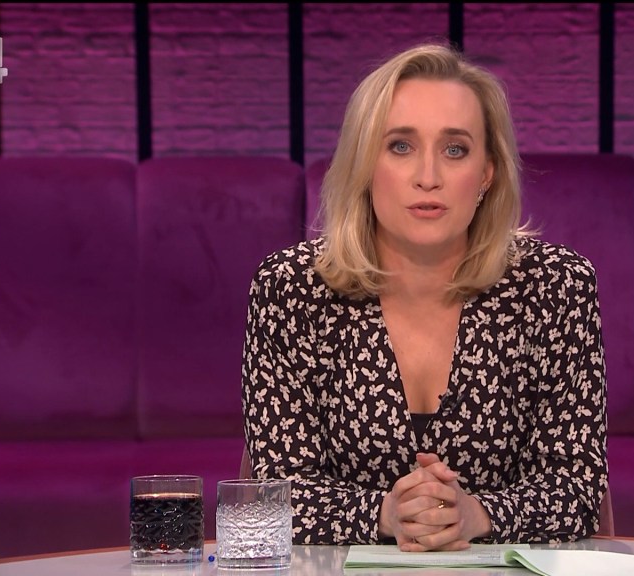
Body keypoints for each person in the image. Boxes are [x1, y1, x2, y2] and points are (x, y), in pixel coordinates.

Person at [240, 41, 608, 552]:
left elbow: (578, 488)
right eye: (400, 146)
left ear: (487, 173)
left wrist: (478, 514)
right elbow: (274, 494)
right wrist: (384, 514)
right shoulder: (291, 289)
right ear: (364, 165)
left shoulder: (555, 286)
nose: (428, 178)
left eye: (455, 150)